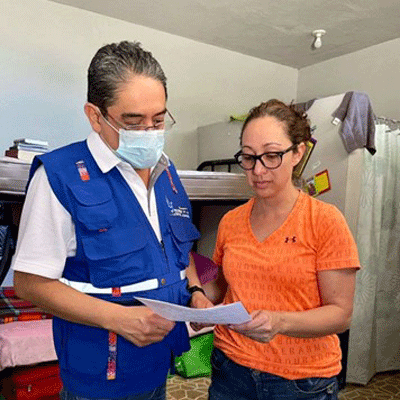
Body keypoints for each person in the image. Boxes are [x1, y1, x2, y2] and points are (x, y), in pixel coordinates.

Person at [12, 40, 211, 400]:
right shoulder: (60, 177)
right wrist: (120, 320)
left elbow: (176, 250)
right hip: (100, 375)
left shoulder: (168, 174)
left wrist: (195, 291)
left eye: (160, 119)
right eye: (134, 122)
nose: (150, 133)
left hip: (157, 362)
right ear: (95, 115)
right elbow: (30, 284)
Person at [202, 99, 360, 400]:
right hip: (230, 370)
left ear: (298, 152)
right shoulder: (231, 221)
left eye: (272, 155)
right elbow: (219, 281)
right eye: (248, 158)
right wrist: (197, 293)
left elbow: (340, 315)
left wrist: (281, 322)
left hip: (301, 381)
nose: (258, 170)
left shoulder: (325, 221)